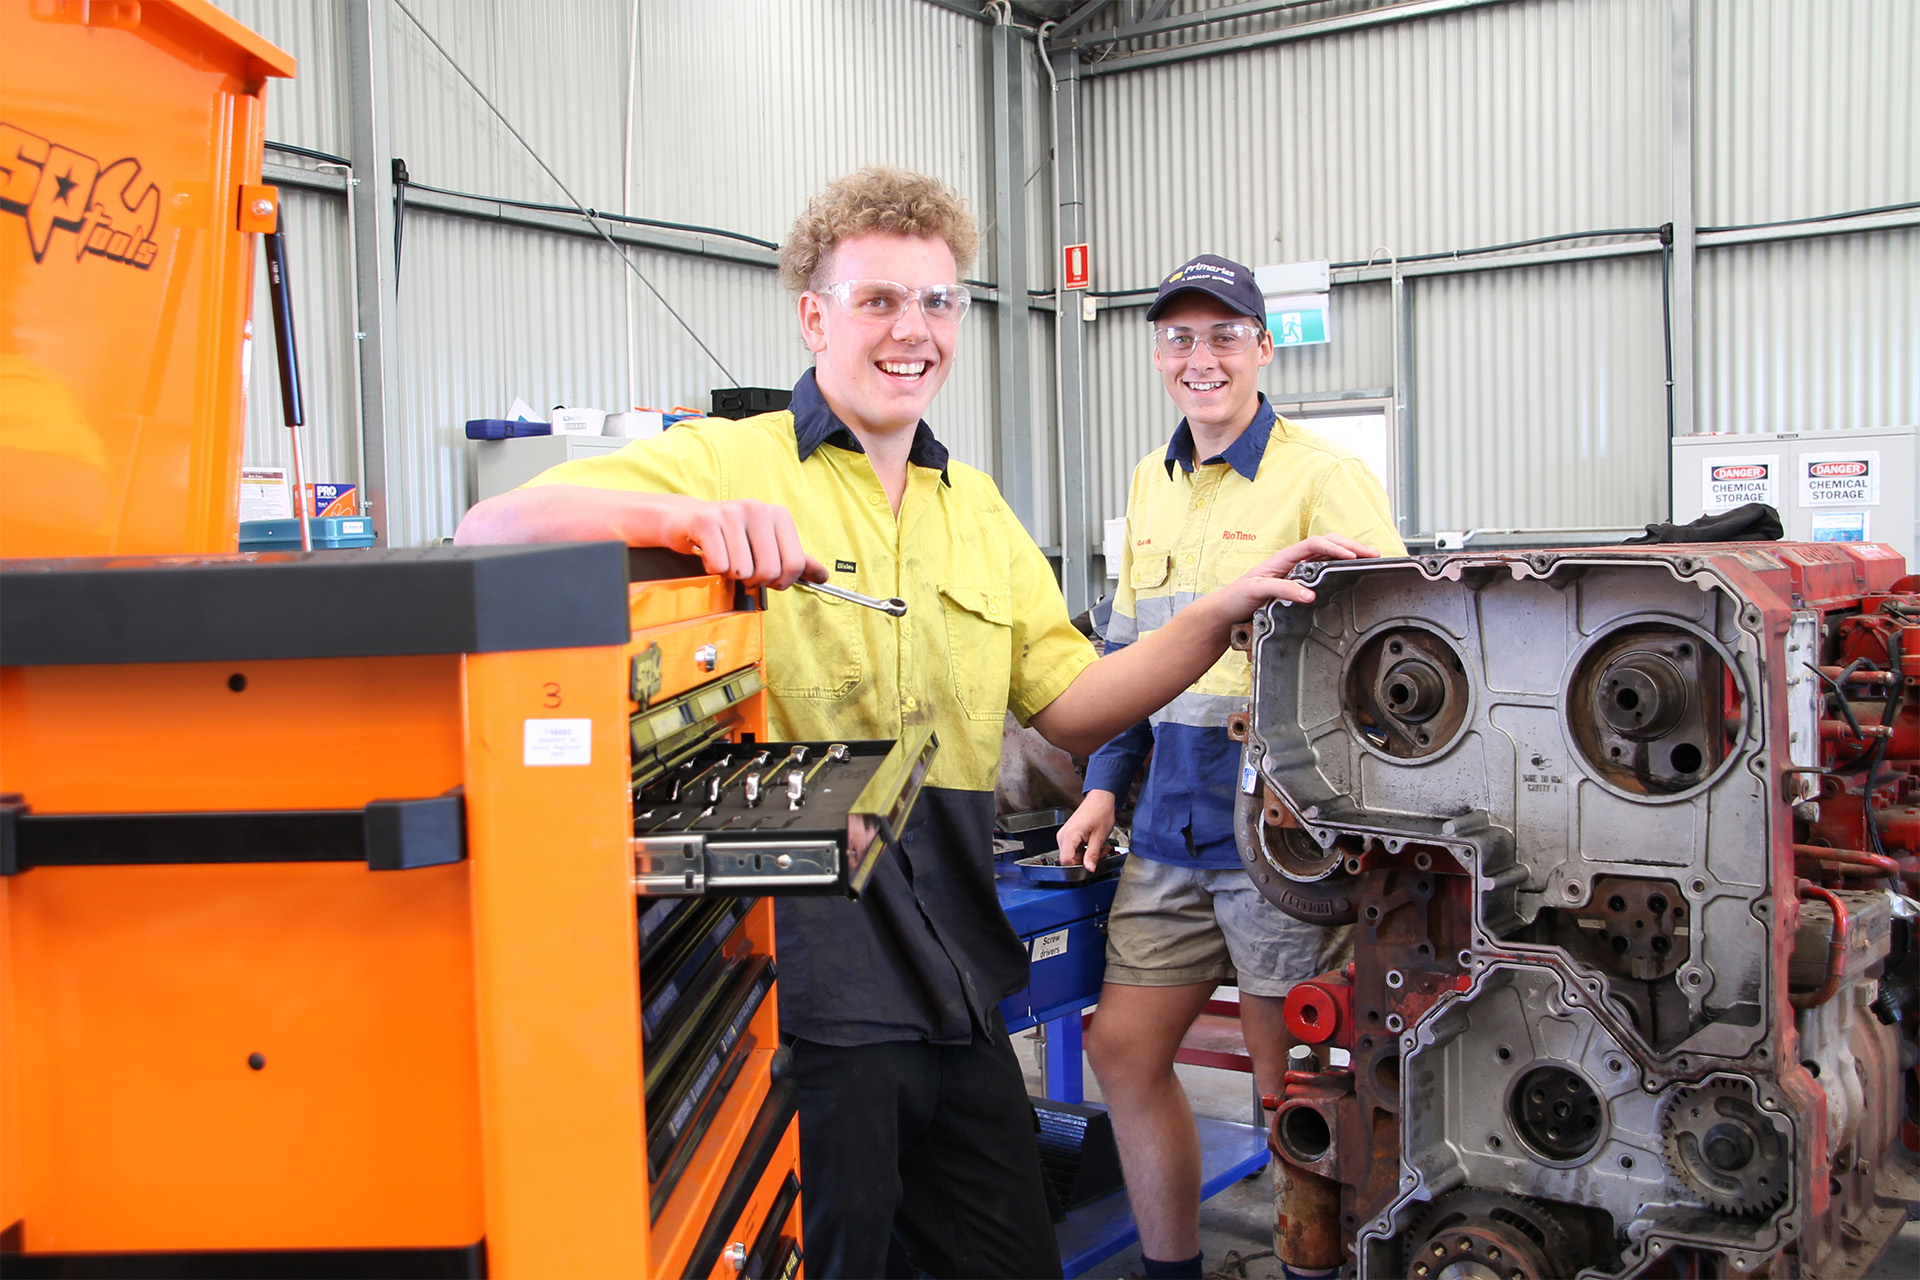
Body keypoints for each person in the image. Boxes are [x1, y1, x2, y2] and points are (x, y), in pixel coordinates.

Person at [455, 174, 1379, 1279]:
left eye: (939, 304)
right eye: (880, 300)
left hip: (954, 970)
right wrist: (684, 517)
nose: (914, 330)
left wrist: (1222, 613)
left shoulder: (977, 511)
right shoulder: (732, 457)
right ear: (815, 316)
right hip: (810, 984)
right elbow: (496, 520)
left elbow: (1074, 702)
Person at [1056, 254, 1405, 1280]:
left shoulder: (1321, 473)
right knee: (1125, 1049)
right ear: (1157, 352)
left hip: (1283, 825)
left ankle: (1316, 1266)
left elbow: (1392, 651)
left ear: (1262, 346)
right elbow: (1129, 653)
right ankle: (1174, 1269)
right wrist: (1102, 783)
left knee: (1290, 1083)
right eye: (1178, 338)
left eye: (1222, 336)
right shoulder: (1150, 482)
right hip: (1168, 818)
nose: (1199, 358)